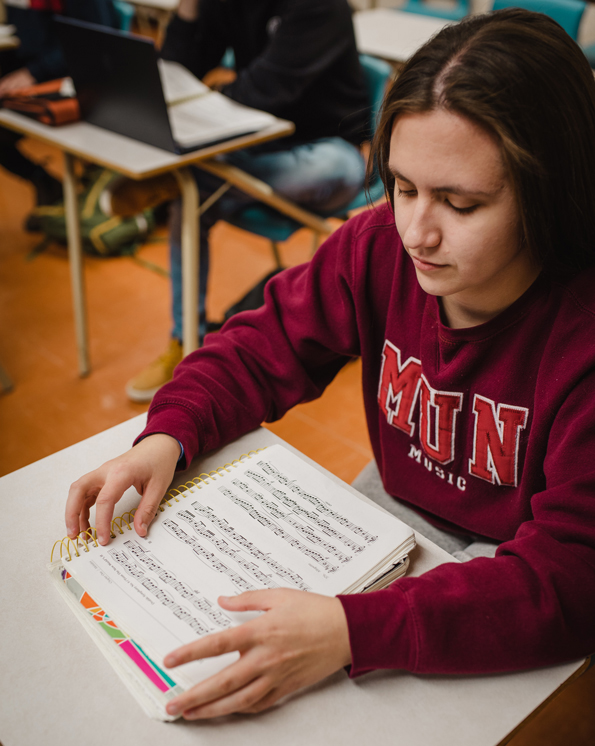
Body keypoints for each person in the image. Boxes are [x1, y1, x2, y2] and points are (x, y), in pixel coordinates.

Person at [65, 8, 595, 720]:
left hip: (517, 567)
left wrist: (350, 629)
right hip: (402, 510)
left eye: (460, 203)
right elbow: (258, 345)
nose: (416, 231)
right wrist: (172, 429)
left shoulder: (579, 334)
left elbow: (567, 579)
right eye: (403, 188)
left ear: (549, 192)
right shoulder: (377, 247)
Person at [118, 0, 369, 402]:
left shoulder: (321, 6)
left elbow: (267, 89)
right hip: (255, 147)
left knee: (331, 166)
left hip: (327, 150)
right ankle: (185, 342)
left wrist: (211, 102)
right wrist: (187, 13)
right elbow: (175, 73)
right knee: (193, 198)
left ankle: (186, 179)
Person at [0, 0, 119, 230]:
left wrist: (34, 72)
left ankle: (93, 197)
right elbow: (24, 35)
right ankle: (44, 181)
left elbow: (94, 38)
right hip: (31, 71)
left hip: (74, 75)